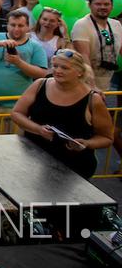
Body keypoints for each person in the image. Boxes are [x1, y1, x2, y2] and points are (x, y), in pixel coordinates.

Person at [11, 50, 113, 178]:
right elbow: (17, 113)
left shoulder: (93, 100)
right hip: (33, 161)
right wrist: (38, 129)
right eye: (55, 66)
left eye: (64, 68)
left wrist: (87, 144)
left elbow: (107, 138)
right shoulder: (40, 85)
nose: (58, 71)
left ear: (79, 72)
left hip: (73, 169)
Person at [0, 10, 49, 132]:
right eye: (13, 25)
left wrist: (19, 62)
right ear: (7, 25)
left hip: (19, 106)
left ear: (28, 27)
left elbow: (41, 73)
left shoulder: (35, 46)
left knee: (15, 143)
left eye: (20, 25)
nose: (16, 29)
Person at [69, 0, 122, 90]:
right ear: (89, 5)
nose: (103, 7)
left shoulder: (116, 24)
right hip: (85, 82)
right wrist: (92, 86)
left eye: (106, 4)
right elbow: (83, 57)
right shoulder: (81, 25)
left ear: (112, 6)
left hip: (107, 78)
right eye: (98, 4)